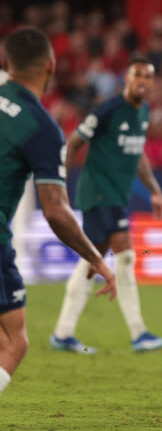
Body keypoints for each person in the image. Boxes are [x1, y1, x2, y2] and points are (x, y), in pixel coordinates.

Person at [0, 27, 116, 396]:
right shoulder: (42, 127)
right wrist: (96, 259)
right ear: (51, 66)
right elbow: (55, 211)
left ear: (7, 63)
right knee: (12, 343)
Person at [50, 58, 162, 354]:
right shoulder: (108, 110)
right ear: (126, 80)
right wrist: (57, 186)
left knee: (92, 260)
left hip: (116, 196)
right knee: (124, 257)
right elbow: (74, 142)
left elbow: (138, 153)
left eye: (148, 76)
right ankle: (139, 333)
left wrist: (156, 191)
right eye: (137, 75)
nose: (142, 80)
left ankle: (63, 332)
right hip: (99, 193)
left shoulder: (143, 112)